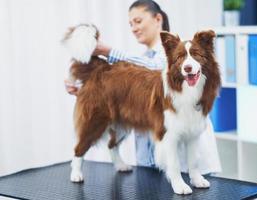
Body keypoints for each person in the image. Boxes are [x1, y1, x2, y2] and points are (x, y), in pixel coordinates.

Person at [65, 0, 221, 174]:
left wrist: (109, 51)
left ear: (157, 19)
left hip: (190, 165)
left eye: (138, 21)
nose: (133, 28)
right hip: (151, 166)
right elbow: (132, 79)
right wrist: (85, 88)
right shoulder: (142, 58)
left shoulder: (182, 52)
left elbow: (156, 69)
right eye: (130, 24)